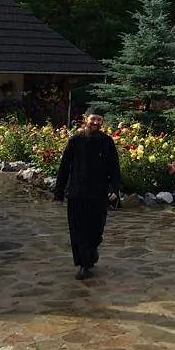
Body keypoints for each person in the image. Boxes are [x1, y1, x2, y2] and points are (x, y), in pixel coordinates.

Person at [52, 108, 121, 280]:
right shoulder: (75, 140)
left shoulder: (107, 141)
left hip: (98, 193)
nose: (95, 123)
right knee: (78, 230)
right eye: (93, 119)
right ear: (86, 119)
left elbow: (114, 168)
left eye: (99, 120)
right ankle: (84, 264)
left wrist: (114, 189)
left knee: (96, 230)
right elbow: (64, 166)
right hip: (77, 192)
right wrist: (59, 191)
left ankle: (92, 250)